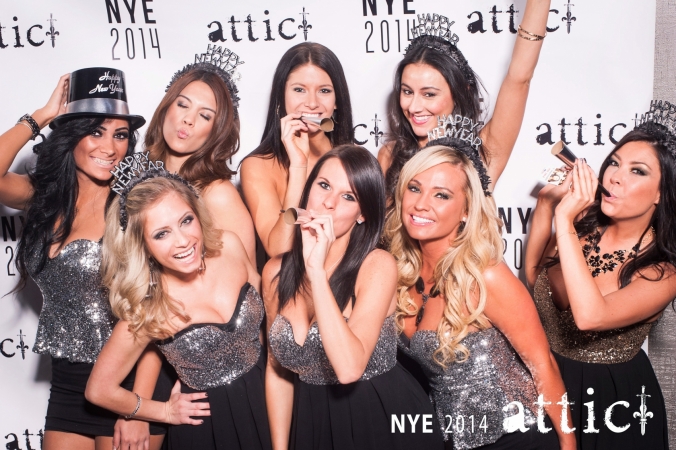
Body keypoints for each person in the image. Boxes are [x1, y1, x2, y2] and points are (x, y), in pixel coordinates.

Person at [0, 69, 166, 450]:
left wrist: (138, 408)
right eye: (96, 131)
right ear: (71, 136)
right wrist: (40, 116)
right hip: (68, 383)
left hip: (125, 383)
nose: (109, 147)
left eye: (120, 135)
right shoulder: (45, 199)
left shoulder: (137, 206)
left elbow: (158, 309)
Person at [386, 139, 576, 449]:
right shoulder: (399, 273)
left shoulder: (484, 276)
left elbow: (544, 365)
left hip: (516, 438)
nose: (421, 204)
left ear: (466, 211)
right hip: (448, 439)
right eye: (415, 188)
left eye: (442, 195)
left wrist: (568, 444)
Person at [264, 145, 443, 450]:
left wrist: (316, 271)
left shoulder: (377, 265)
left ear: (363, 214)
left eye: (349, 197)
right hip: (312, 423)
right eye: (323, 185)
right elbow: (277, 371)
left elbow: (349, 368)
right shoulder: (274, 272)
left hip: (381, 420)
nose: (329, 202)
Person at [524, 101, 675, 449]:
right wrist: (548, 205)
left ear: (661, 194)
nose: (615, 176)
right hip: (549, 385)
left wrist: (563, 221)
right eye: (614, 163)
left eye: (638, 171)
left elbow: (591, 317)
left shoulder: (663, 272)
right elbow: (534, 279)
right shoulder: (585, 225)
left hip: (613, 403)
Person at [86, 170, 271, 450]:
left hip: (268, 399)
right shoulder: (148, 308)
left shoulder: (229, 246)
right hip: (208, 427)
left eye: (186, 220)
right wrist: (163, 412)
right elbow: (99, 390)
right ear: (142, 245)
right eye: (162, 234)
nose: (183, 241)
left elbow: (266, 322)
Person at [379, 0, 551, 199]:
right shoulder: (390, 154)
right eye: (407, 92)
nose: (414, 106)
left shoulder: (482, 151)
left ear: (459, 94)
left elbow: (519, 79)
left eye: (429, 94)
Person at [241, 42, 354, 258]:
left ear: (337, 100)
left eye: (324, 91)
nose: (311, 103)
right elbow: (279, 250)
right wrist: (298, 167)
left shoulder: (354, 159)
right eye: (299, 90)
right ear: (281, 96)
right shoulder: (258, 166)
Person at [145, 58, 255, 265]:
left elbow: (249, 285)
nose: (189, 119)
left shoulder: (218, 195)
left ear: (217, 131)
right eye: (182, 104)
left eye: (205, 116)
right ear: (166, 107)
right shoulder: (136, 176)